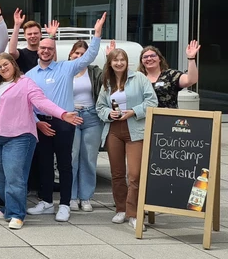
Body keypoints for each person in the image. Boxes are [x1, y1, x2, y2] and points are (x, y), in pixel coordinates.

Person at [0, 53, 81, 229]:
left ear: (13, 64)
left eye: (6, 64)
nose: (3, 68)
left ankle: (17, 214)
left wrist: (63, 114)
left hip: (18, 135)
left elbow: (41, 102)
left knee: (14, 176)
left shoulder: (25, 82)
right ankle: (7, 207)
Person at [25, 13, 105, 222]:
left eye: (50, 48)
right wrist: (37, 123)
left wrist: (97, 34)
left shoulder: (66, 68)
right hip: (41, 123)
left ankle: (64, 204)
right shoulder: (30, 75)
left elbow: (88, 57)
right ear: (38, 50)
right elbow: (27, 104)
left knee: (64, 164)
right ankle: (46, 202)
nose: (45, 51)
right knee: (43, 164)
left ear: (54, 51)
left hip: (64, 123)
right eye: (43, 48)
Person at [97, 49, 158, 228]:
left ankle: (134, 213)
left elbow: (152, 101)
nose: (119, 63)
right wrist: (110, 113)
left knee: (134, 174)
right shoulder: (107, 82)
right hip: (114, 130)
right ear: (110, 63)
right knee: (116, 174)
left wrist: (133, 112)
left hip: (135, 128)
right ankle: (121, 209)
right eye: (115, 60)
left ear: (127, 62)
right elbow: (100, 107)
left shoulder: (139, 78)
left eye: (122, 60)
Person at [69, 40, 104, 213]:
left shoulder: (95, 72)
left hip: (92, 117)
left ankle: (86, 197)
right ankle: (72, 196)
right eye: (76, 53)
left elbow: (110, 80)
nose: (79, 56)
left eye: (83, 54)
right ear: (71, 54)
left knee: (89, 158)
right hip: (72, 117)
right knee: (73, 157)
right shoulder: (66, 70)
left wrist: (111, 53)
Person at [138, 41, 201, 108]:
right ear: (141, 61)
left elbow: (191, 80)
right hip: (144, 117)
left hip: (167, 117)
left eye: (153, 56)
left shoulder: (171, 75)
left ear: (160, 59)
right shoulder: (137, 78)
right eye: (145, 57)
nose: (149, 58)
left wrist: (191, 58)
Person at [7, 9, 42, 73]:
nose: (33, 36)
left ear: (41, 34)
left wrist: (52, 36)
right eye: (29, 34)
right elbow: (12, 52)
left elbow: (53, 59)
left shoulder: (44, 53)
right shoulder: (21, 54)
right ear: (25, 36)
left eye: (35, 33)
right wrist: (17, 25)